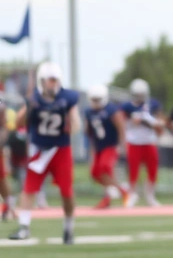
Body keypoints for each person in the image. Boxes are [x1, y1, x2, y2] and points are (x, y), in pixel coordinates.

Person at [8, 63, 79, 244]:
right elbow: (18, 123)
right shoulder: (35, 99)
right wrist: (29, 107)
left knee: (66, 192)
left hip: (61, 149)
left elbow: (76, 123)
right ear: (42, 81)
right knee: (29, 187)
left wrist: (72, 124)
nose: (53, 84)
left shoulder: (67, 97)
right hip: (40, 149)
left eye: (55, 80)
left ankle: (69, 227)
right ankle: (24, 227)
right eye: (50, 80)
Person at [83, 85, 129, 209]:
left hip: (110, 145)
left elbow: (121, 128)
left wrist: (121, 145)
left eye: (98, 99)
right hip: (98, 147)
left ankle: (108, 197)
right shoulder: (88, 112)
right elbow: (89, 132)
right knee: (95, 174)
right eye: (94, 99)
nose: (96, 102)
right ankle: (120, 191)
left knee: (104, 169)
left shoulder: (111, 110)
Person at [122, 78, 164, 207]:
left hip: (149, 141)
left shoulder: (153, 104)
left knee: (152, 169)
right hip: (134, 141)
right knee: (133, 171)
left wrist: (154, 124)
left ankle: (150, 196)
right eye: (137, 95)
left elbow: (160, 121)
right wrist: (131, 122)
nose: (139, 97)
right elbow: (122, 122)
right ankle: (132, 195)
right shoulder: (127, 106)